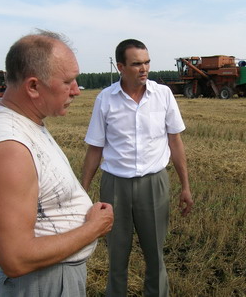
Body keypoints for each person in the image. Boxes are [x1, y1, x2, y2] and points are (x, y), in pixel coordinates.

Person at [0, 30, 114, 297]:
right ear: (33, 86)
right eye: (68, 82)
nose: (77, 91)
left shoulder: (23, 121)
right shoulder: (9, 150)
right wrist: (93, 228)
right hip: (43, 284)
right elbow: (15, 259)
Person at [81, 38, 193, 297]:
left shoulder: (163, 95)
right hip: (115, 185)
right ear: (121, 67)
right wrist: (82, 192)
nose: (144, 69)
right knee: (117, 255)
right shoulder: (105, 99)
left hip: (154, 183)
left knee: (155, 254)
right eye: (136, 64)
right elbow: (95, 149)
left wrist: (185, 186)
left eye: (147, 62)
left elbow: (175, 142)